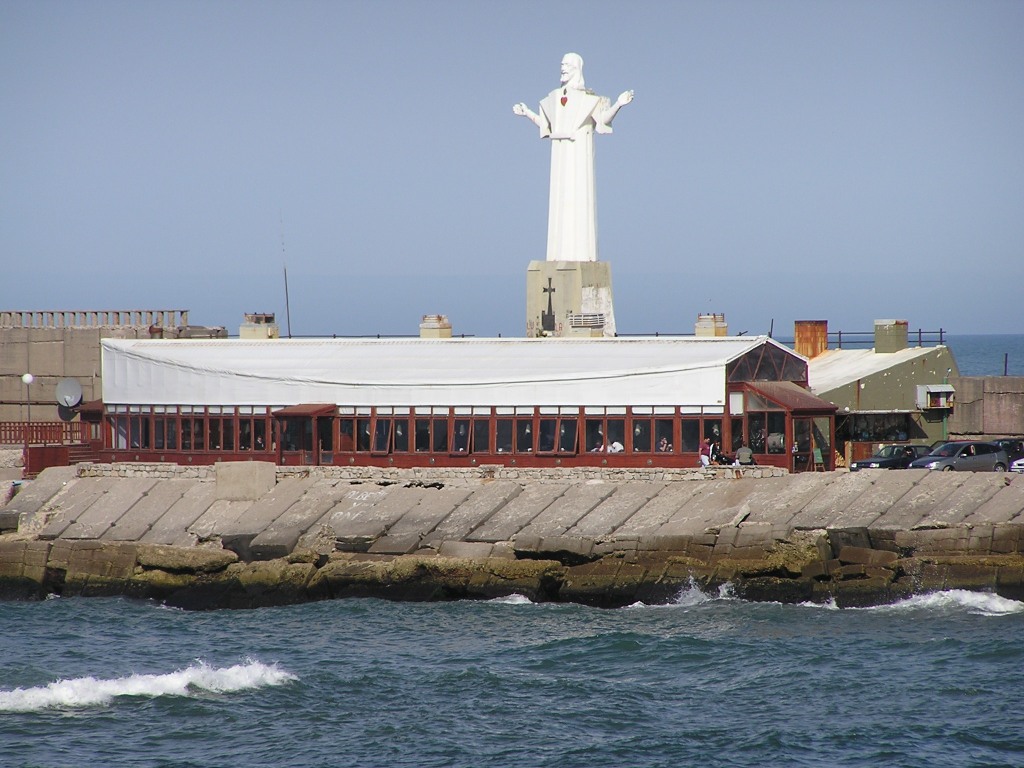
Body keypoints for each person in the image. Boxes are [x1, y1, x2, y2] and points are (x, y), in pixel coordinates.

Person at [513, 53, 633, 263]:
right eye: (561, 64)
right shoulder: (553, 98)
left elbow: (602, 120)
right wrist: (527, 113)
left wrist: (618, 104)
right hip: (559, 154)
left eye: (567, 64)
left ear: (577, 68)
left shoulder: (589, 99)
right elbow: (547, 126)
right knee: (558, 206)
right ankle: (557, 257)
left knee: (579, 205)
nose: (563, 67)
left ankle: (580, 255)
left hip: (580, 154)